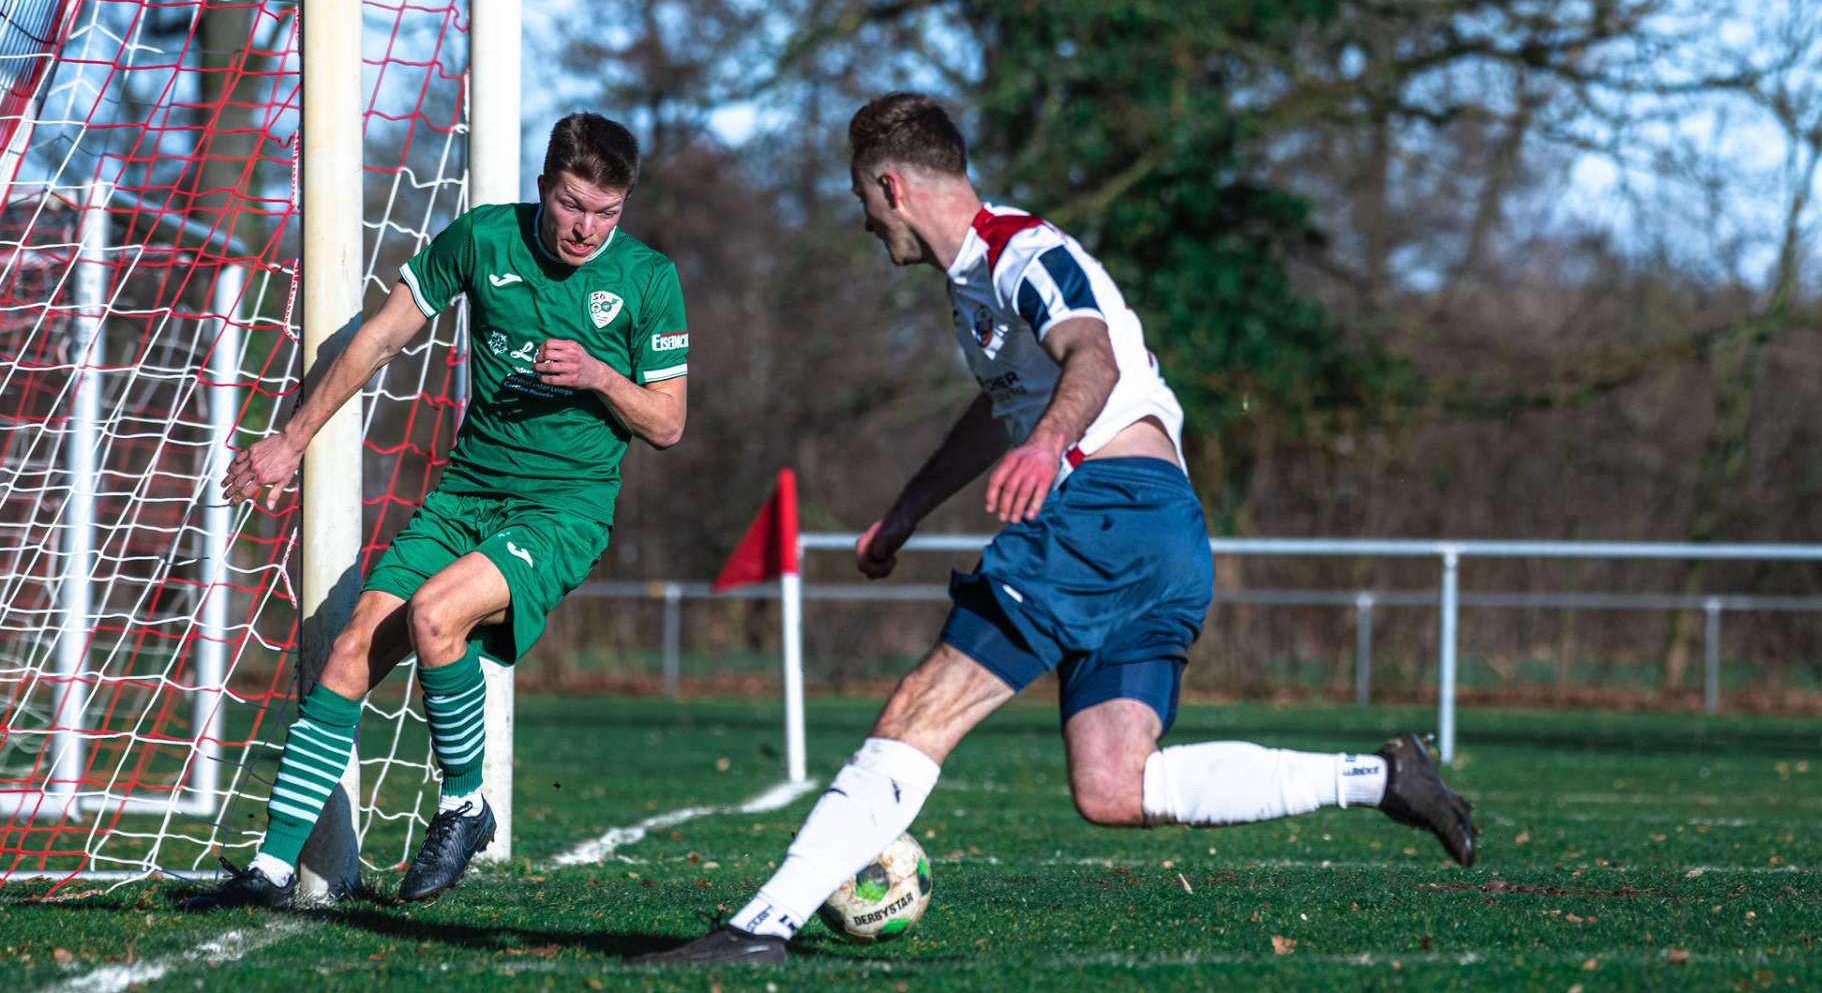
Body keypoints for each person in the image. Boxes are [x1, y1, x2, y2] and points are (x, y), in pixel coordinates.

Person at [646, 92, 1477, 965]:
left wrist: (1047, 448)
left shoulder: (1020, 252)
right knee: (1116, 785)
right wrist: (907, 508)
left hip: (1105, 511)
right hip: (1161, 533)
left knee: (921, 708)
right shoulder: (975, 285)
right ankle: (1384, 778)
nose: (862, 221)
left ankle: (762, 926)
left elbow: (1092, 352)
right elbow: (1000, 405)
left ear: (891, 186)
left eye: (860, 199)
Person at [185, 112, 689, 909]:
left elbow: (667, 422)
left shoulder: (647, 278)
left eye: (606, 213)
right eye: (571, 205)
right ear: (542, 188)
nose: (587, 228)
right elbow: (382, 337)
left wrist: (598, 375)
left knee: (434, 615)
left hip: (561, 511)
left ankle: (463, 805)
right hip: (464, 497)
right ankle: (272, 871)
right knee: (350, 651)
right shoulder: (483, 240)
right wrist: (290, 440)